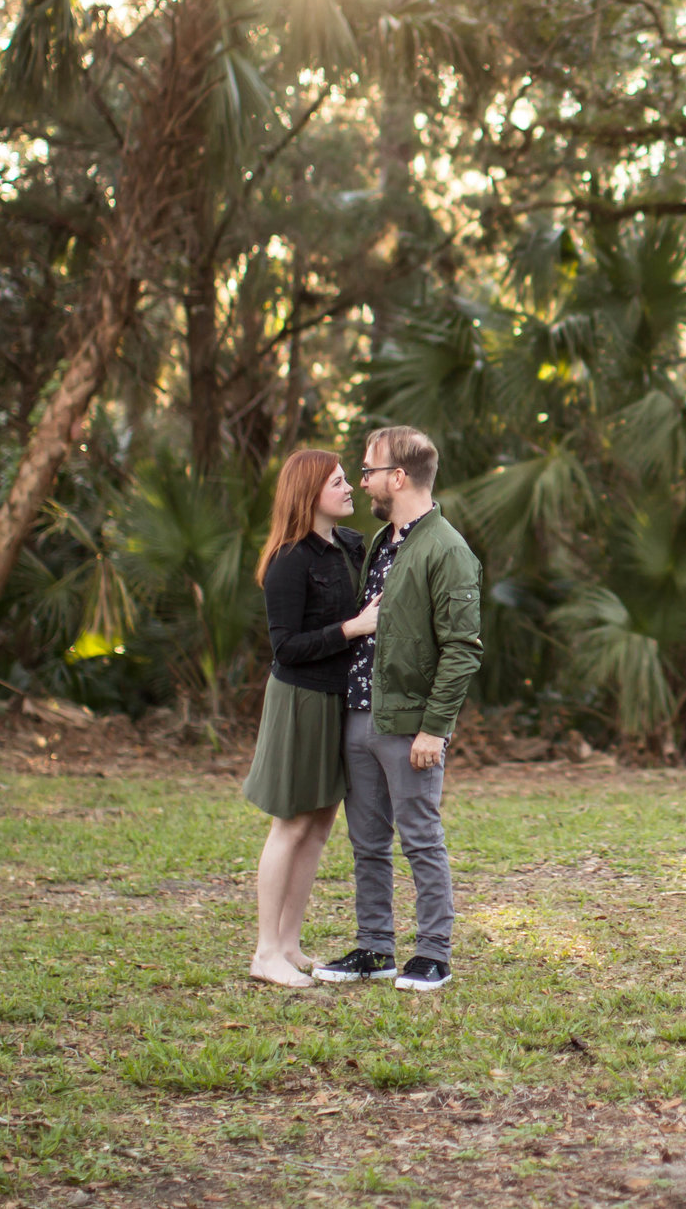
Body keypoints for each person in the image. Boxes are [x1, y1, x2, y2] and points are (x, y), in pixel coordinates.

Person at [312, 425, 481, 993]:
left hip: (410, 726)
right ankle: (374, 947)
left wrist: (435, 729)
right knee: (366, 842)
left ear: (399, 477)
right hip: (361, 713)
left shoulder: (447, 549)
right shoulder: (384, 540)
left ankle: (434, 953)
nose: (363, 481)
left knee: (420, 837)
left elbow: (461, 649)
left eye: (369, 470)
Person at [241, 449, 378, 988]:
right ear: (310, 492)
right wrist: (354, 628)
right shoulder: (288, 560)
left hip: (337, 700)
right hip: (300, 702)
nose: (351, 488)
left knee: (320, 826)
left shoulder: (349, 546)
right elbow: (286, 648)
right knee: (292, 823)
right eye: (340, 482)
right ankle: (265, 951)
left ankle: (292, 944)